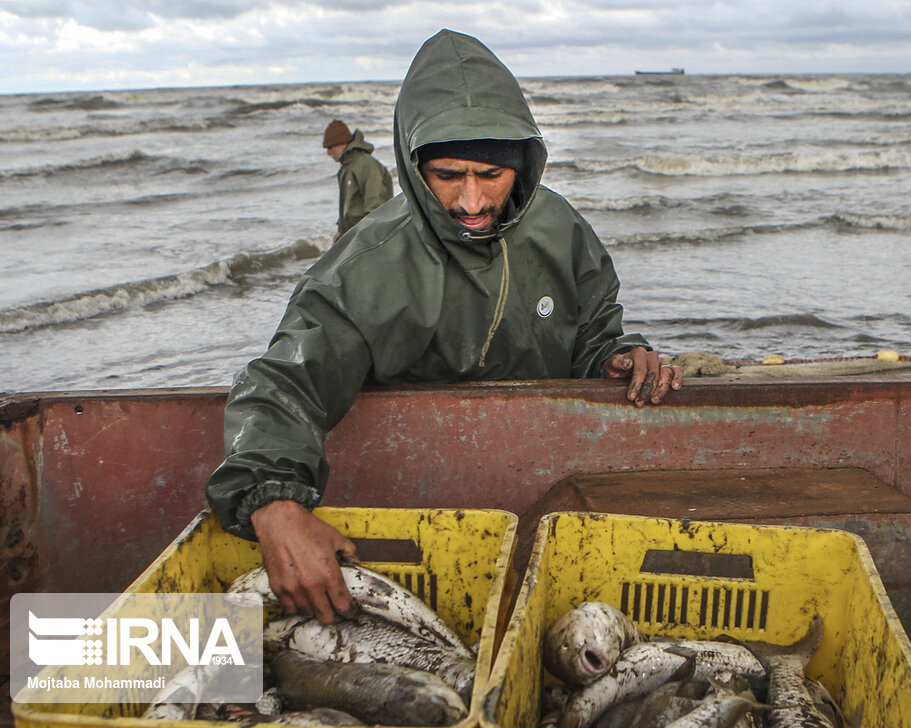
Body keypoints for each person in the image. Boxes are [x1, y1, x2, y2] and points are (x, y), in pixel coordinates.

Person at [207, 29, 684, 622]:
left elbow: (592, 331)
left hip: (546, 491)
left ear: (523, 165)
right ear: (412, 166)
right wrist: (273, 504)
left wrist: (613, 356)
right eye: (447, 174)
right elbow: (285, 382)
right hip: (420, 504)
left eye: (491, 174)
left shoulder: (561, 229)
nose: (471, 201)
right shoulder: (366, 267)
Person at [323, 119, 393, 242]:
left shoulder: (365, 164)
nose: (328, 152)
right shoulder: (347, 168)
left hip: (368, 238)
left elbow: (376, 207)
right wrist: (341, 230)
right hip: (355, 237)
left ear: (343, 144)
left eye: (330, 147)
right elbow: (349, 207)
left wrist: (367, 238)